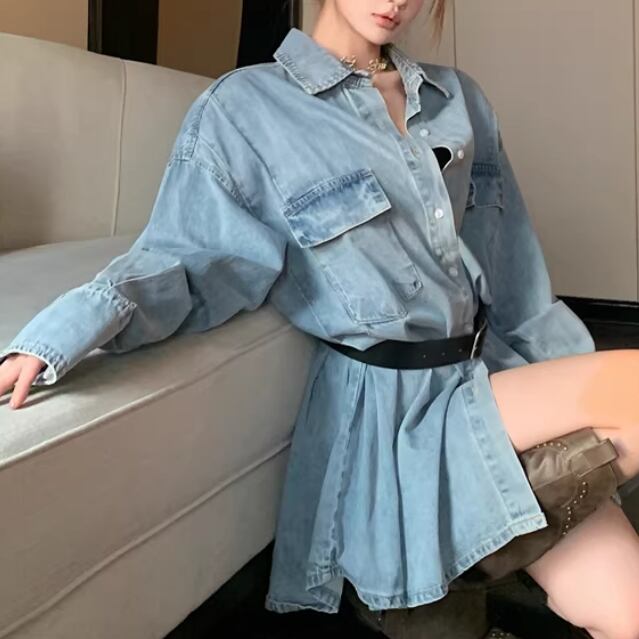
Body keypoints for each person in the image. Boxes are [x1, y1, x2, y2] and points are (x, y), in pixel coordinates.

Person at [1, 1, 638, 637]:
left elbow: (516, 280)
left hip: (493, 383)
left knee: (627, 610)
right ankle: (463, 537)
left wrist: (566, 391)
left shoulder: (458, 99)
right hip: (399, 422)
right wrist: (64, 333)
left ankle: (478, 537)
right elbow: (186, 257)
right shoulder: (248, 108)